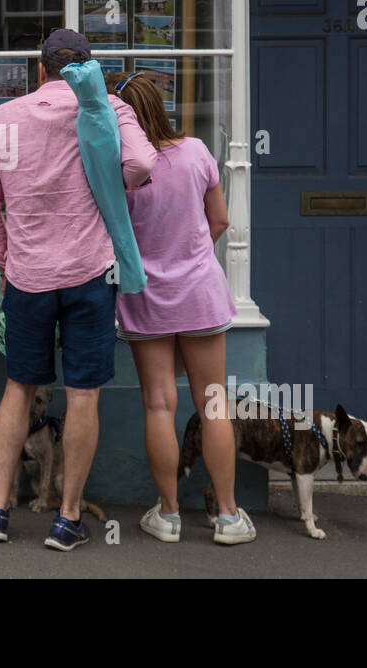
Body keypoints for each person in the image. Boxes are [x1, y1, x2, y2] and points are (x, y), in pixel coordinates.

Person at [0, 29, 157, 550]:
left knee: (18, 389)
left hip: (28, 275)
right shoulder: (110, 110)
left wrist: (5, 257)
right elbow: (143, 165)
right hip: (90, 272)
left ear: (40, 69)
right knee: (83, 394)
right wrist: (112, 186)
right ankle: (66, 518)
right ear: (89, 69)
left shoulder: (2, 119)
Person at [103, 70, 255, 545]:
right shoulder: (196, 152)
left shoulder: (123, 173)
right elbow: (221, 219)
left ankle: (168, 515)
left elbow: (114, 238)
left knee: (159, 404)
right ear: (162, 106)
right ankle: (228, 517)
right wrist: (191, 255)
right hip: (200, 295)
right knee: (213, 404)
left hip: (147, 298)